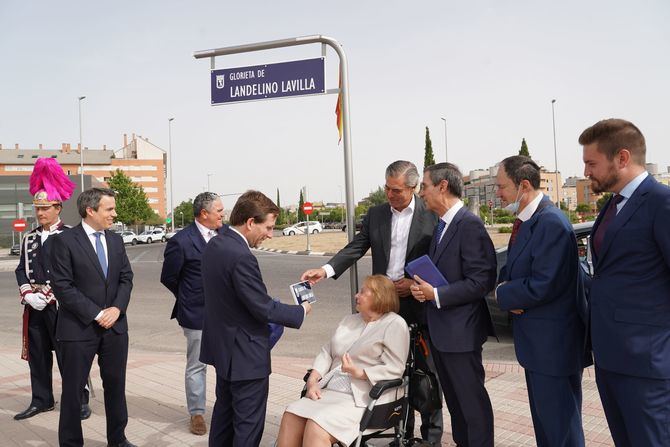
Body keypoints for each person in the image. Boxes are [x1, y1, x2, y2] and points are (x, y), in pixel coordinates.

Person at [301, 160, 443, 443]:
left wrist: (415, 283)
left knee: (426, 377)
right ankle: (403, 435)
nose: (390, 195)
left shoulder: (431, 214)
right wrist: (326, 270)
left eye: (397, 190)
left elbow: (439, 259)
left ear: (413, 188)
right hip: (383, 308)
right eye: (387, 188)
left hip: (419, 304)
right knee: (394, 375)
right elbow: (356, 246)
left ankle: (432, 439)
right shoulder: (377, 214)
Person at [579, 118, 670, 446]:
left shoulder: (661, 202)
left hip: (647, 365)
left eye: (591, 163)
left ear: (622, 158)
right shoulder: (612, 206)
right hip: (609, 358)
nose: (587, 172)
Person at [200, 190, 310, 447]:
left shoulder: (215, 244)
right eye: (269, 227)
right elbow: (262, 308)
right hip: (246, 358)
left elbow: (238, 298)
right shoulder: (241, 256)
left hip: (224, 352)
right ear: (251, 222)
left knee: (223, 424)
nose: (271, 234)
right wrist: (300, 311)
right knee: (247, 430)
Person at [494, 155, 590, 446]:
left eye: (501, 186)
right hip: (538, 346)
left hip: (554, 347)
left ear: (524, 185)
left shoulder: (550, 222)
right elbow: (510, 271)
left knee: (562, 429)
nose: (498, 193)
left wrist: (502, 294)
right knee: (547, 428)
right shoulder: (527, 221)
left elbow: (543, 285)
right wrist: (508, 287)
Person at [410, 162, 497, 447]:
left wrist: (435, 294)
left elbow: (481, 280)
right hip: (442, 333)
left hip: (461, 334)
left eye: (424, 186)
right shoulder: (442, 226)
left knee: (472, 407)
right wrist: (424, 290)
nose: (421, 193)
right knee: (457, 407)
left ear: (442, 186)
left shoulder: (468, 225)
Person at [276, 275, 409, 447]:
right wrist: (313, 379)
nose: (356, 296)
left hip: (365, 397)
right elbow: (327, 352)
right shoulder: (350, 320)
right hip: (330, 389)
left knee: (316, 426)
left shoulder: (395, 324)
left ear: (379, 296)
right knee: (291, 415)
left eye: (362, 292)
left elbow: (395, 368)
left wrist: (359, 372)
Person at [50, 188, 135, 447]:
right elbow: (63, 287)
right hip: (78, 329)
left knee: (116, 388)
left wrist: (117, 309)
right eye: (109, 209)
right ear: (90, 210)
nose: (115, 214)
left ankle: (118, 439)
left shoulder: (116, 241)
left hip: (115, 328)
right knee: (74, 391)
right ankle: (71, 442)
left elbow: (126, 278)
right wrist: (97, 313)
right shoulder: (64, 241)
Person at [14, 157, 90, 421]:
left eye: (45, 208)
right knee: (38, 355)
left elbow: (78, 276)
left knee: (71, 356)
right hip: (34, 307)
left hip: (62, 308)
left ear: (58, 207)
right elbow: (21, 269)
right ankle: (42, 399)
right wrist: (28, 294)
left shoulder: (71, 235)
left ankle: (79, 399)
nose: (41, 213)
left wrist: (51, 294)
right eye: (37, 208)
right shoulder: (30, 237)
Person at [160, 192, 225, 436]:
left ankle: (224, 407)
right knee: (198, 365)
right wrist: (188, 297)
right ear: (204, 213)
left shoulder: (225, 234)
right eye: (218, 210)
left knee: (226, 362)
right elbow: (168, 277)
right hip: (197, 313)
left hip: (226, 313)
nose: (222, 214)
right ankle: (197, 413)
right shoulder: (181, 241)